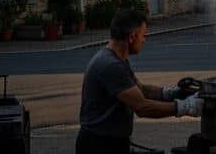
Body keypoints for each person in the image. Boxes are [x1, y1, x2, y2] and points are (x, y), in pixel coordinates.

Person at [76, 9, 202, 154]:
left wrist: (172, 93)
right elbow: (142, 107)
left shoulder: (116, 59)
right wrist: (186, 106)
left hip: (111, 142)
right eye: (143, 35)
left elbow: (141, 89)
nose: (144, 40)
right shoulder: (111, 65)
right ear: (132, 37)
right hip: (99, 145)